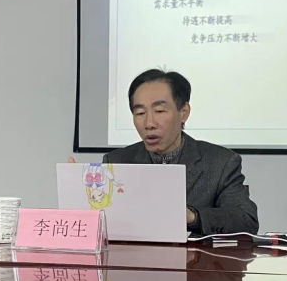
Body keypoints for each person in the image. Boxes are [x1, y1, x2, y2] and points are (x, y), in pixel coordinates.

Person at [70, 69, 258, 235]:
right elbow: (103, 223)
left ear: (184, 112)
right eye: (140, 113)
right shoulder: (117, 161)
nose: (149, 123)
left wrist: (192, 217)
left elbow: (246, 220)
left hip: (195, 263)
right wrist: (79, 194)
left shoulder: (221, 162)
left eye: (159, 111)